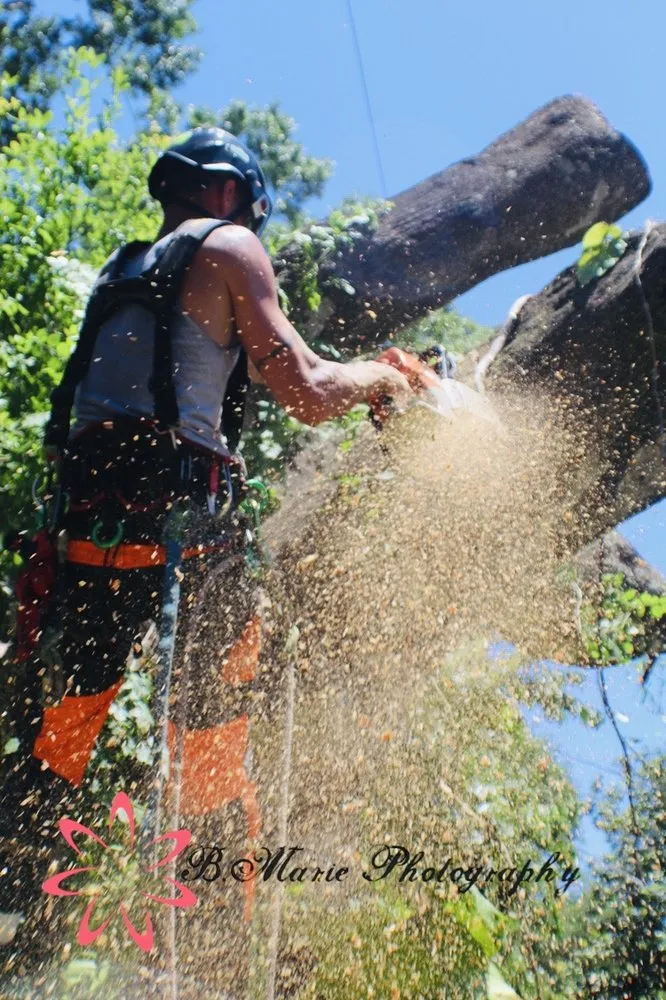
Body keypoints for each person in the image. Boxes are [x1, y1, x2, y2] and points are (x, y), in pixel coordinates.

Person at [0, 127, 421, 957]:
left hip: (87, 540)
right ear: (230, 195)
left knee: (57, 752)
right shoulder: (231, 246)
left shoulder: (120, 273)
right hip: (185, 536)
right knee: (213, 752)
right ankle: (218, 945)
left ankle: (20, 920)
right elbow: (304, 389)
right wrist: (388, 377)